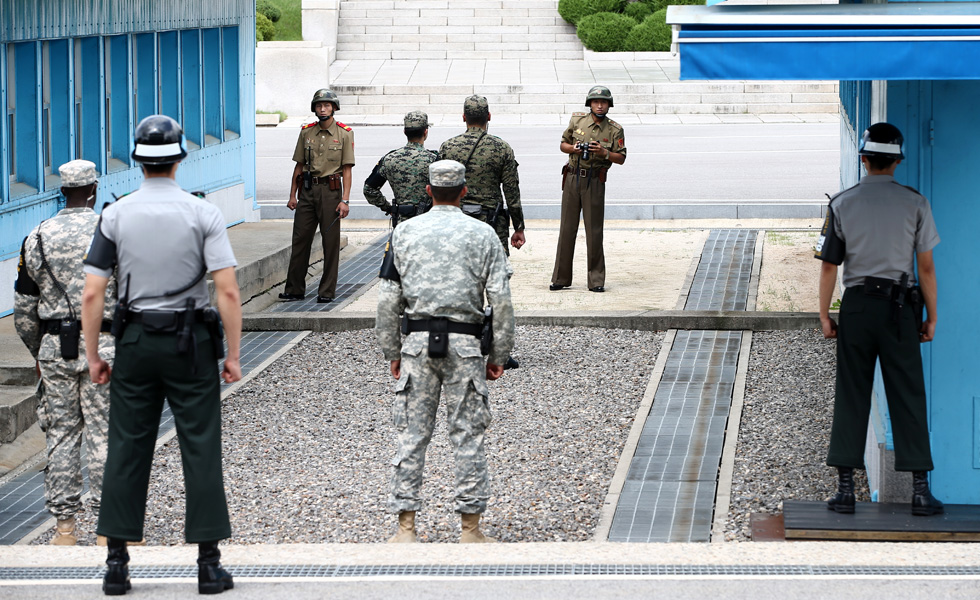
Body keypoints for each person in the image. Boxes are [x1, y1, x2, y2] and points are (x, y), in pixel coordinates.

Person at [81, 115, 243, 595]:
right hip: (189, 343)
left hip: (133, 343)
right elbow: (227, 291)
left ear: (136, 160)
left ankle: (116, 563)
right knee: (200, 445)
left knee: (127, 447)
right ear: (179, 158)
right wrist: (233, 354)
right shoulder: (203, 214)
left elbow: (93, 293)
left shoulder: (115, 215)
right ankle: (209, 565)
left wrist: (94, 356)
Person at [375, 160, 515, 544]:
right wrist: (499, 354)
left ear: (428, 190)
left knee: (411, 436)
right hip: (466, 348)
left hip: (418, 345)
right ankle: (471, 529)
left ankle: (405, 528)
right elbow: (501, 300)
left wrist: (392, 349)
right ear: (465, 191)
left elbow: (387, 300)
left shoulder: (404, 233)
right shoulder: (483, 234)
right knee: (468, 436)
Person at [815, 122, 943, 517]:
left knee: (853, 390)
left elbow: (829, 268)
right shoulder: (916, 203)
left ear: (863, 158)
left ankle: (845, 490)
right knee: (908, 393)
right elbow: (926, 269)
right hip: (901, 308)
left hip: (857, 307)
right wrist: (932, 317)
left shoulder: (842, 203)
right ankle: (920, 491)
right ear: (897, 161)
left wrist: (824, 315)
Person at [13, 159, 116, 546]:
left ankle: (65, 528)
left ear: (62, 192)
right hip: (105, 347)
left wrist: (39, 352)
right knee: (106, 434)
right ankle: (109, 528)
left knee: (60, 434)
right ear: (93, 189)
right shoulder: (110, 232)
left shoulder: (36, 237)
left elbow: (24, 308)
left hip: (55, 347)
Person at [279, 88, 354, 304]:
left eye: (327, 105)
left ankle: (327, 291)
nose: (323, 109)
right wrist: (292, 195)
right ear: (314, 108)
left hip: (331, 193)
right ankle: (294, 289)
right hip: (308, 192)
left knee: (330, 244)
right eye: (319, 105)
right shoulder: (306, 132)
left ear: (334, 108)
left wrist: (345, 200)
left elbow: (347, 170)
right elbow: (299, 166)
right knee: (300, 239)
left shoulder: (345, 133)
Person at [550, 85, 627, 293]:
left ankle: (596, 280)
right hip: (572, 178)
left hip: (594, 181)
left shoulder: (614, 129)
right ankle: (560, 278)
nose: (600, 105)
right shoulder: (577, 121)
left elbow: (621, 158)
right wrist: (574, 148)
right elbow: (563, 144)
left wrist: (604, 152)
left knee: (594, 231)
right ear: (590, 104)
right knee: (566, 229)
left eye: (603, 102)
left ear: (609, 105)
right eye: (596, 102)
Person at [438, 95, 526, 255]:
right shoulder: (502, 148)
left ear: (464, 117)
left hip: (457, 222)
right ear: (489, 116)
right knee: (495, 274)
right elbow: (512, 192)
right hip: (492, 223)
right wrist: (518, 227)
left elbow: (438, 189)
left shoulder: (448, 147)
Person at [363, 110, 438, 227]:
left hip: (401, 222)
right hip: (428, 222)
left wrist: (388, 208)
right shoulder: (434, 160)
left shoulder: (389, 159)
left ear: (404, 132)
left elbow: (369, 189)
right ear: (426, 132)